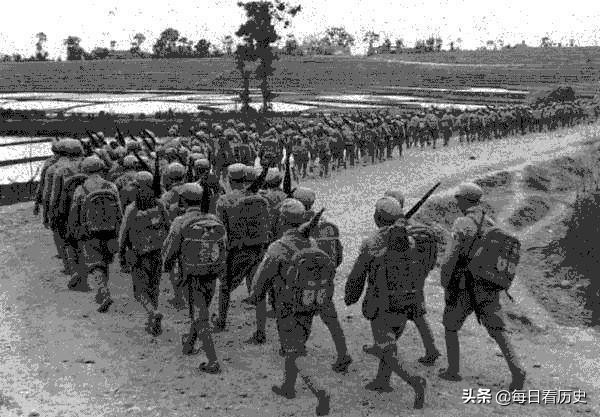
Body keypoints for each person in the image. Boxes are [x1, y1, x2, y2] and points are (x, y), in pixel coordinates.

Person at [245, 199, 332, 416]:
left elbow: (262, 278)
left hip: (286, 306)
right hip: (310, 302)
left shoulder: (279, 247)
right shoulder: (312, 243)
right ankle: (288, 386)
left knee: (294, 350)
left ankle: (320, 391)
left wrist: (255, 297)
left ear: (282, 220)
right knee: (296, 345)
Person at [438, 183, 526, 390]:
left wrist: (445, 279)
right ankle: (517, 370)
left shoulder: (462, 222)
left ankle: (453, 370)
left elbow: (452, 255)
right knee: (497, 329)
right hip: (487, 284)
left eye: (458, 198)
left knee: (450, 326)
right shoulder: (489, 221)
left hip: (464, 284)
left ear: (464, 200)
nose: (456, 201)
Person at [344, 197, 426, 409]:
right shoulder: (410, 239)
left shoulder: (372, 242)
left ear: (377, 218)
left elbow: (358, 273)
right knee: (391, 341)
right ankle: (382, 380)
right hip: (406, 298)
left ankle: (414, 381)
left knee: (385, 346)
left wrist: (351, 296)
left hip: (381, 301)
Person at [162, 183, 226, 374]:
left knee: (200, 315)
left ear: (183, 200)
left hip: (191, 274)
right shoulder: (214, 219)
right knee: (201, 310)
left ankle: (212, 360)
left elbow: (170, 249)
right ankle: (189, 343)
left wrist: (166, 266)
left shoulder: (181, 221)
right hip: (212, 272)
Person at [383, 190, 441, 365]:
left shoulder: (395, 229)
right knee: (417, 314)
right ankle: (431, 349)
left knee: (395, 313)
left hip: (399, 278)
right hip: (417, 277)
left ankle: (386, 346)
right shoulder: (414, 227)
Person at [214, 163, 271, 332]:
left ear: (229, 179)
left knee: (225, 287)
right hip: (258, 249)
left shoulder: (224, 200)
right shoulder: (260, 199)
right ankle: (260, 331)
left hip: (236, 251)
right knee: (257, 289)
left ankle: (221, 322)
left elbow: (221, 230)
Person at [68, 156, 123, 313]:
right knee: (105, 261)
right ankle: (102, 289)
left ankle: (103, 291)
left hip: (90, 232)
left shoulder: (81, 189)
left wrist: (75, 230)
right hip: (110, 230)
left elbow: (74, 212)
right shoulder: (111, 186)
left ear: (85, 170)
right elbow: (119, 211)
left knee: (94, 263)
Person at [119, 171, 170, 336]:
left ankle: (152, 313)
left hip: (139, 254)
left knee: (140, 291)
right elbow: (168, 226)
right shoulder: (159, 204)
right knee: (154, 287)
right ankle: (152, 319)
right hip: (157, 252)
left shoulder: (132, 208)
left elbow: (124, 233)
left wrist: (121, 254)